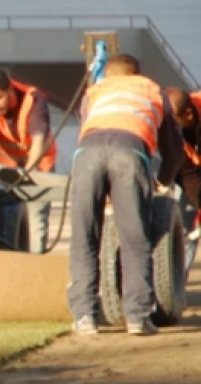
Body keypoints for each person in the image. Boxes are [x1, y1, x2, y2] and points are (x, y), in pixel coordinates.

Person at [68, 54, 183, 337]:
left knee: (85, 236)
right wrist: (161, 182)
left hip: (86, 155)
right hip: (129, 152)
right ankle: (137, 317)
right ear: (136, 73)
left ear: (108, 75)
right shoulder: (151, 90)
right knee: (135, 238)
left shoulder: (95, 91)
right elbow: (173, 149)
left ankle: (85, 317)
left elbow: (86, 126)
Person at [0, 68, 57, 253]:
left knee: (36, 220)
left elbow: (38, 141)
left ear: (10, 89)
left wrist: (27, 173)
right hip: (9, 167)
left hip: (39, 165)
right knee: (6, 217)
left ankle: (35, 267)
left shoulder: (34, 100)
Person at [165, 86, 201, 272]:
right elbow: (186, 173)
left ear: (188, 115)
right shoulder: (172, 126)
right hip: (190, 174)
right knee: (186, 228)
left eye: (175, 123)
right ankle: (173, 287)